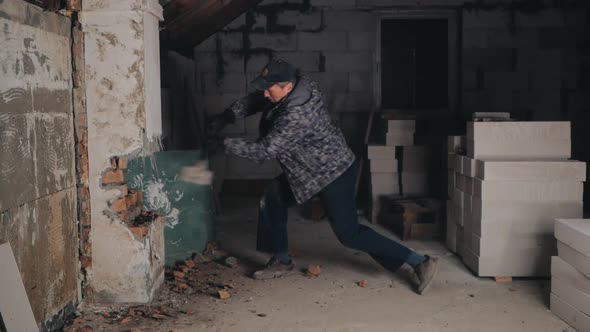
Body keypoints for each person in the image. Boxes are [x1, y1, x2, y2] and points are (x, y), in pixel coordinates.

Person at [207, 59, 439, 295]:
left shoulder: (297, 115)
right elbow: (258, 99)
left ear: (287, 86)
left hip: (332, 172)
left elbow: (265, 150)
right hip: (306, 171)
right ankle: (281, 260)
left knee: (349, 234)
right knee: (272, 198)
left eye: (270, 88)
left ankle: (419, 261)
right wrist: (228, 115)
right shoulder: (296, 87)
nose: (265, 93)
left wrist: (225, 144)